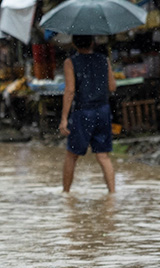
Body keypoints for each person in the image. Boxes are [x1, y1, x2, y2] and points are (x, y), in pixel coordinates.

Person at [59, 35, 116, 193]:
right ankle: (112, 194)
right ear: (92, 42)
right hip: (103, 111)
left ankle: (66, 195)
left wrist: (64, 118)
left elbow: (69, 91)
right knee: (103, 156)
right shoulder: (104, 60)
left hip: (83, 112)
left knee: (72, 156)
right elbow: (112, 86)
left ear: (74, 44)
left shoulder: (70, 62)